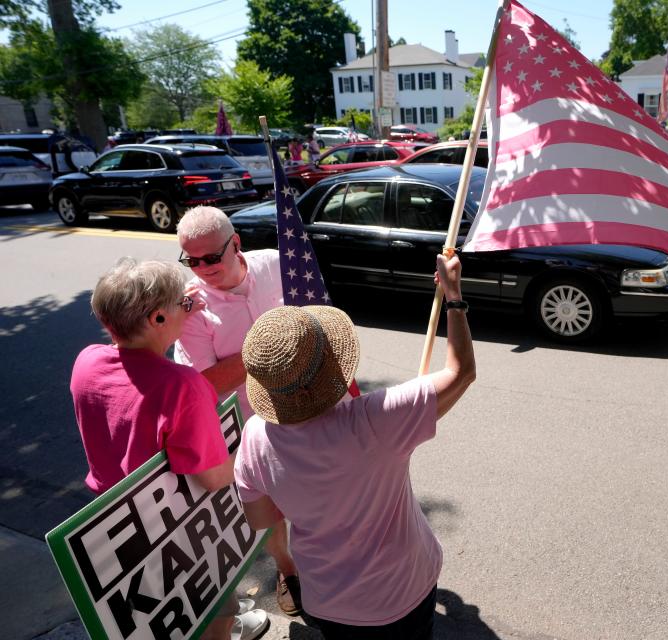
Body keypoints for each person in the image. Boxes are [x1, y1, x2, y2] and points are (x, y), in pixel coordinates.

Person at [234, 253, 476, 639]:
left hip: (327, 601)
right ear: (331, 361)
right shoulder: (376, 419)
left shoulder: (255, 436)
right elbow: (462, 372)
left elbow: (262, 519)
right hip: (404, 594)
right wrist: (454, 296)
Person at [70, 257, 268, 640]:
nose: (187, 307)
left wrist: (177, 310)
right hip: (172, 528)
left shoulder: (86, 362)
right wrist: (254, 448)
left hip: (114, 524)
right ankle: (223, 627)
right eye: (181, 303)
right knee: (208, 604)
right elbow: (212, 478)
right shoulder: (182, 386)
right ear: (157, 318)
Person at [173, 206, 303, 616]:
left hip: (301, 405)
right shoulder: (190, 308)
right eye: (191, 260)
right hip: (248, 424)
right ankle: (288, 570)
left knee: (317, 490)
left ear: (237, 244)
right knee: (266, 506)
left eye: (211, 257)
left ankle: (328, 561)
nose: (202, 268)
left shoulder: (278, 266)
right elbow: (206, 386)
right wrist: (269, 347)